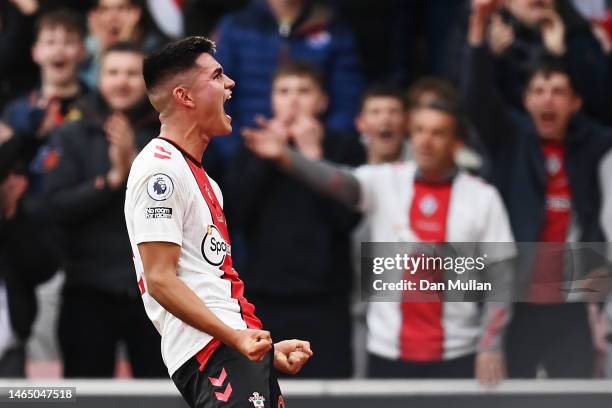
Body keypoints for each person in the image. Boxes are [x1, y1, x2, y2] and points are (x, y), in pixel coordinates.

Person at [243, 99, 516, 385]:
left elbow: (502, 279)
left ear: (456, 143)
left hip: (458, 350)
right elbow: (337, 182)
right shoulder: (385, 180)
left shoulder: (483, 197)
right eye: (419, 130)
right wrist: (287, 156)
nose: (425, 140)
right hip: (387, 352)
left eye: (438, 133)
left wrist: (490, 345)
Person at [125, 36, 312, 407]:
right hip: (211, 351)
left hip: (231, 347)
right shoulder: (159, 170)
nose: (231, 84)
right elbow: (160, 279)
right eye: (217, 76)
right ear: (186, 96)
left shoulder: (203, 178)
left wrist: (258, 343)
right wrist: (233, 336)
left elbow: (206, 276)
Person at [463, 0, 612, 378]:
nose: (548, 99)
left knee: (577, 400)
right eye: (539, 91)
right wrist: (479, 30)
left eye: (558, 91)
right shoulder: (511, 140)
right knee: (511, 399)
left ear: (575, 103)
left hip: (572, 302)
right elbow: (478, 99)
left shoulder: (591, 144)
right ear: (526, 100)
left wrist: (561, 51)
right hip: (517, 300)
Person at [226, 61, 364, 378]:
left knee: (330, 392)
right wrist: (269, 158)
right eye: (284, 91)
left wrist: (311, 158)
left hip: (326, 297)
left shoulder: (343, 147)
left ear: (322, 101)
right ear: (272, 100)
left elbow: (347, 220)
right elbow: (234, 215)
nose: (293, 100)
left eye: (304, 91)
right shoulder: (252, 147)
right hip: (264, 295)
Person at [44, 42, 166, 378]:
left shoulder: (169, 135)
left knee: (160, 399)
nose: (122, 81)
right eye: (113, 73)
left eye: (132, 73)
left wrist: (135, 167)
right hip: (87, 291)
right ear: (99, 77)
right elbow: (54, 207)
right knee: (84, 395)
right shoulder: (71, 133)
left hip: (159, 296)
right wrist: (111, 180)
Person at [211, 0, 364, 172]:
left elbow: (347, 99)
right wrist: (241, 154)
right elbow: (216, 95)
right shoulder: (235, 26)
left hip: (316, 151)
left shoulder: (333, 27)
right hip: (248, 157)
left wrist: (328, 145)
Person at [81, 0, 167, 89]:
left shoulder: (156, 47)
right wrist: (101, 49)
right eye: (104, 9)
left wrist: (125, 45)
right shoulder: (88, 45)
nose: (112, 17)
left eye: (121, 8)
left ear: (136, 13)